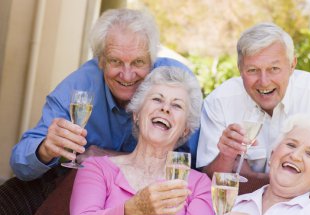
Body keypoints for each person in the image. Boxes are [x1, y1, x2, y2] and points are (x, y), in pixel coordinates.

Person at [53, 66, 214, 215]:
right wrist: (135, 209)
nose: (165, 109)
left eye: (176, 105)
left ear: (185, 129)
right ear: (137, 114)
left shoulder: (198, 184)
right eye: (157, 100)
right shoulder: (98, 168)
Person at [10, 8, 196, 182]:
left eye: (138, 62)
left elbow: (194, 164)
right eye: (115, 61)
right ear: (100, 61)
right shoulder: (79, 87)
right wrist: (45, 149)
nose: (127, 75)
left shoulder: (176, 83)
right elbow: (20, 164)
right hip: (82, 188)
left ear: (152, 60)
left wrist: (108, 158)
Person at [196, 22, 310, 194]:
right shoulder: (219, 101)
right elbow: (208, 180)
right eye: (253, 70)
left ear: (292, 65)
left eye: (274, 69)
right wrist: (226, 156)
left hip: (302, 208)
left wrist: (249, 175)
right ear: (240, 69)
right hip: (238, 205)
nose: (264, 81)